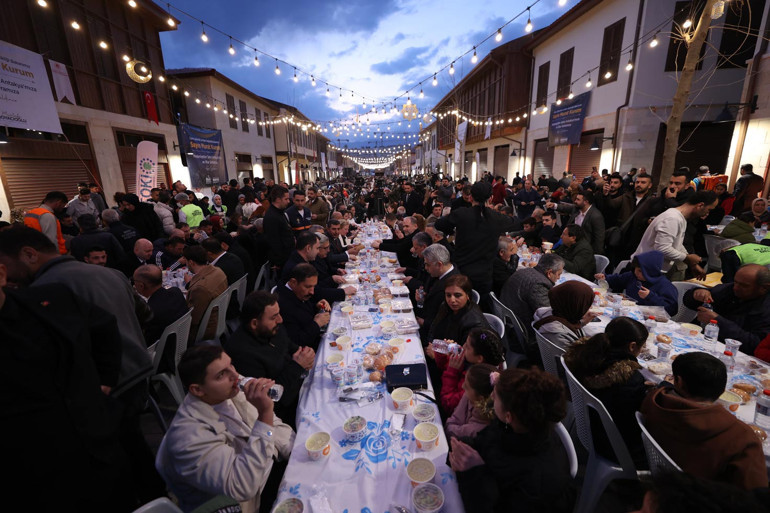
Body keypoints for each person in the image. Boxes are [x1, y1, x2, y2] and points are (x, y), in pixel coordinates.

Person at [0, 259, 134, 511]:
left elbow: (103, 326)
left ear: (1, 275)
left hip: (97, 447)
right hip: (30, 477)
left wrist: (104, 381)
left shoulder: (51, 299)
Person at [155, 345, 295, 513]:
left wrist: (296, 453)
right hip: (240, 501)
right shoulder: (187, 439)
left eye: (231, 365)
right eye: (221, 374)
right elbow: (243, 486)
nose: (236, 376)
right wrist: (265, 414)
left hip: (267, 465)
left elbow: (273, 427)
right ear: (197, 390)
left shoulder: (228, 388)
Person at [450, 367, 574, 513]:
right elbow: (487, 441)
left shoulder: (540, 483)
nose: (491, 396)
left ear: (509, 416)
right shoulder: (513, 426)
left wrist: (475, 472)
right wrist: (463, 446)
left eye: (495, 395)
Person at [641, 352, 768, 490]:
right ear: (722, 389)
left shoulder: (655, 399)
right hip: (700, 499)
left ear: (679, 382)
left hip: (658, 482)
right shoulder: (741, 437)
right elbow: (755, 496)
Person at [564, 317, 651, 467]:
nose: (641, 350)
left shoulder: (587, 355)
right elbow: (635, 419)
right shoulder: (629, 378)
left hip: (587, 426)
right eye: (641, 347)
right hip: (613, 445)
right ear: (632, 346)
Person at [223, 291, 314, 427]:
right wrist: (298, 366)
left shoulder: (272, 329)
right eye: (274, 317)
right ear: (254, 323)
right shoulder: (242, 354)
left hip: (300, 384)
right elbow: (273, 397)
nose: (280, 320)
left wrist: (304, 354)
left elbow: (290, 346)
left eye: (278, 314)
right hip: (286, 411)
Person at [436, 182, 518, 296]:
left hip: (461, 272)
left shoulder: (461, 214)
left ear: (470, 197)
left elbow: (439, 225)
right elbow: (516, 222)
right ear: (491, 198)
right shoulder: (496, 217)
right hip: (484, 276)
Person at [682, 263, 770, 354]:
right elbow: (689, 302)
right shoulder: (729, 289)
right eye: (735, 282)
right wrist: (696, 294)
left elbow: (755, 345)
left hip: (734, 352)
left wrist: (718, 322)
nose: (736, 287)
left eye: (744, 286)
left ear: (764, 288)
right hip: (701, 339)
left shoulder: (765, 308)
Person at [631, 190, 718, 281]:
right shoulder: (672, 218)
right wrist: (687, 258)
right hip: (644, 270)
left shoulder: (679, 217)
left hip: (649, 269)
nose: (708, 214)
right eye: (709, 209)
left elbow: (677, 244)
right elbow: (662, 249)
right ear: (700, 205)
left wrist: (692, 263)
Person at [429, 327, 505, 415]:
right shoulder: (468, 360)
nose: (463, 346)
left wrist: (452, 372)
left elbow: (448, 405)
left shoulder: (476, 381)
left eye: (468, 347)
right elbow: (443, 368)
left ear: (479, 359)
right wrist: (443, 353)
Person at [500, 253, 565, 345]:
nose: (558, 278)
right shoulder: (539, 284)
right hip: (521, 332)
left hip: (508, 320)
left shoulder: (524, 271)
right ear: (549, 273)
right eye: (558, 274)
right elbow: (547, 315)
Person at [594, 250, 678, 316]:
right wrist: (605, 278)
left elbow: (671, 310)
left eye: (641, 271)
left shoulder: (665, 286)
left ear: (650, 271)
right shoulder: (632, 276)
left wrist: (650, 296)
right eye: (636, 269)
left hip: (650, 318)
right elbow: (617, 280)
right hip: (629, 311)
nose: (636, 273)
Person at [276, 263, 330, 350]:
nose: (312, 292)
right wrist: (316, 324)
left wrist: (316, 306)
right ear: (293, 282)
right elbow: (297, 341)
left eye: (314, 286)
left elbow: (303, 310)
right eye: (308, 287)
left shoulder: (296, 292)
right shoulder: (282, 305)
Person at [133, 264, 188, 347]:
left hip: (162, 353)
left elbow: (145, 343)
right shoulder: (176, 292)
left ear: (141, 286)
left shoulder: (149, 312)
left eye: (134, 281)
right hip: (182, 343)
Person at [183, 245, 229, 344]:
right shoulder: (218, 271)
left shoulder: (200, 288)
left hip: (205, 330)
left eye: (186, 262)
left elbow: (193, 320)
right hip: (218, 322)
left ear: (191, 262)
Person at [533, 281, 595, 348]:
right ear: (574, 305)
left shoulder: (552, 312)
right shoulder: (558, 334)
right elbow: (575, 356)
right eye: (586, 304)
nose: (590, 307)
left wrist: (582, 322)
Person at [445, 363, 497, 439]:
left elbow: (449, 429)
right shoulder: (471, 397)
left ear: (480, 398)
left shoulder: (477, 430)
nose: (462, 386)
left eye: (466, 386)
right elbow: (453, 421)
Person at [547, 190, 605, 255]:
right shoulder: (577, 208)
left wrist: (596, 254)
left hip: (583, 247)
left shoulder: (596, 216)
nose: (575, 201)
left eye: (578, 200)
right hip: (570, 242)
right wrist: (554, 205)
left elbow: (599, 238)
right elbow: (565, 207)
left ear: (586, 202)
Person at [23, 190, 68, 254]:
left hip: (36, 250)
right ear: (59, 203)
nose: (62, 209)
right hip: (48, 254)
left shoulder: (32, 212)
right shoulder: (47, 215)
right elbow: (51, 240)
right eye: (63, 206)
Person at [263, 186, 295, 269]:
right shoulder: (272, 217)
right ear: (278, 199)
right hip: (282, 262)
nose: (288, 201)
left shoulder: (280, 213)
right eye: (286, 199)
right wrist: (279, 262)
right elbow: (273, 241)